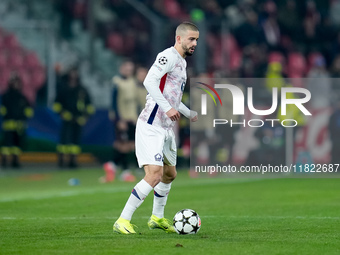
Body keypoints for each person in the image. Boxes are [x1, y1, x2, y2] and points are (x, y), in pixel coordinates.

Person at [113, 22, 199, 234]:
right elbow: (149, 82)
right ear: (178, 38)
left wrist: (191, 114)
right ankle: (123, 220)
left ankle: (156, 218)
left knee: (169, 174)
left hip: (166, 127)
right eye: (191, 39)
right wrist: (168, 108)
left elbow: (173, 98)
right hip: (151, 124)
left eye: (196, 39)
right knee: (154, 174)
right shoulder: (167, 56)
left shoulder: (182, 63)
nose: (194, 43)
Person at [53, 68, 95, 168]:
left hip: (78, 120)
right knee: (64, 141)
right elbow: (56, 104)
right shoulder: (63, 89)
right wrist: (62, 113)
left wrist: (86, 116)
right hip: (67, 119)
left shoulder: (82, 90)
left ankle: (73, 161)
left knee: (75, 142)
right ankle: (61, 161)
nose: (73, 76)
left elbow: (89, 106)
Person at [0, 74, 33, 168]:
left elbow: (28, 110)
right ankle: (4, 161)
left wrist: (23, 118)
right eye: (14, 82)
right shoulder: (5, 96)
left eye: (17, 82)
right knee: (6, 145)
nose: (16, 84)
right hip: (8, 124)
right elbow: (3, 110)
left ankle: (15, 161)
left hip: (19, 125)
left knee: (16, 146)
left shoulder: (22, 97)